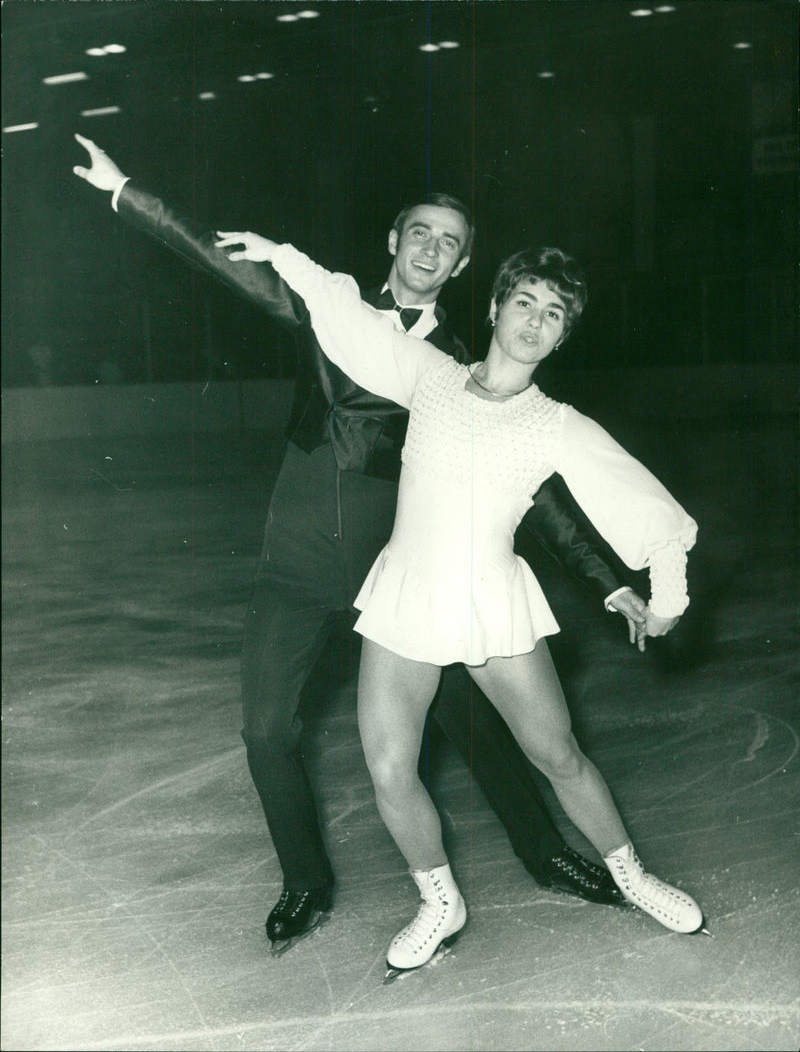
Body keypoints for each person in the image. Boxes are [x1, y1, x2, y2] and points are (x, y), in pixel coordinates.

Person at [72, 135, 655, 958]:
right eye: (420, 231)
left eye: (450, 242)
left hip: (405, 577)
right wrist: (125, 191)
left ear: (463, 272)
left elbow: (546, 491)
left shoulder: (461, 364)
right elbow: (228, 264)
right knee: (266, 728)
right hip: (301, 553)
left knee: (482, 724)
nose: (431, 248)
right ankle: (306, 879)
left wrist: (606, 578)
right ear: (393, 240)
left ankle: (547, 852)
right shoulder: (332, 310)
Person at [211, 230, 709, 978]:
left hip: (491, 604)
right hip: (406, 598)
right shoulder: (433, 377)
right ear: (499, 307)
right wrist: (282, 255)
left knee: (559, 756)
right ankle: (440, 900)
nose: (534, 321)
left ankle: (633, 876)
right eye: (525, 303)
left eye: (554, 315)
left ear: (563, 335)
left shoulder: (556, 424)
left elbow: (639, 501)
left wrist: (666, 594)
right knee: (388, 767)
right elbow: (344, 316)